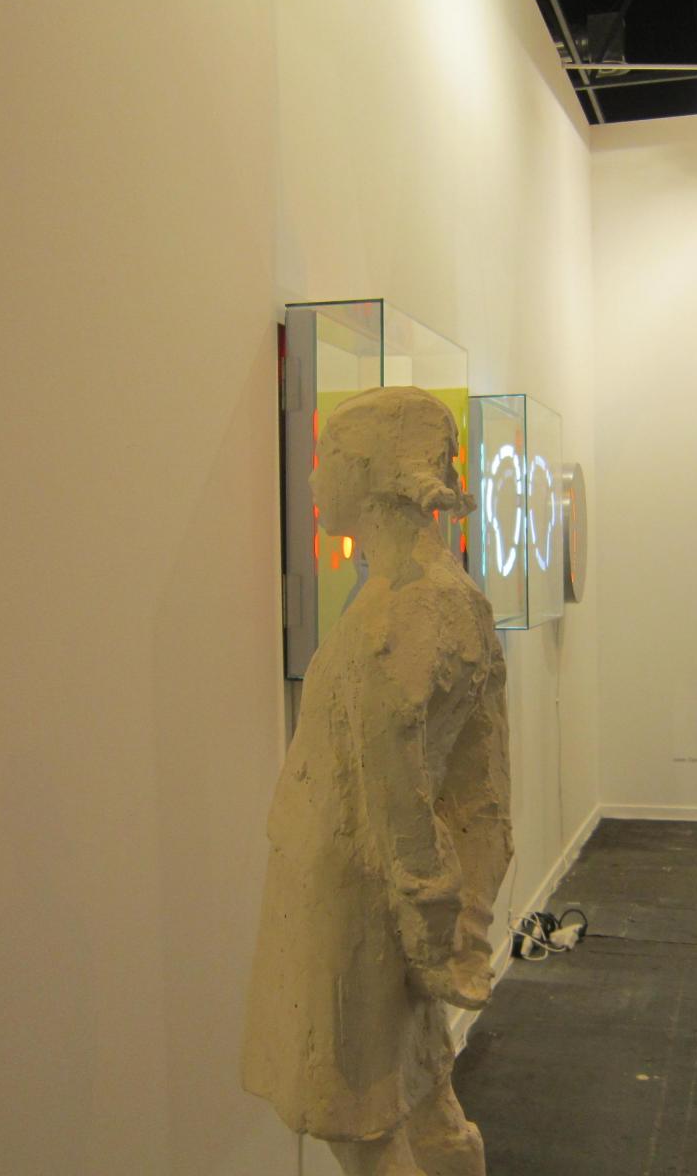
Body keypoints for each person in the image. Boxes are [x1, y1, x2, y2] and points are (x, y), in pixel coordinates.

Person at [242, 387, 511, 1176]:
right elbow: (482, 788)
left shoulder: (405, 613)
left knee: (359, 1119)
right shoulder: (440, 598)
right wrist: (457, 918)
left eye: (330, 461)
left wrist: (433, 926)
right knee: (419, 1095)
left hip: (360, 899)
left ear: (373, 475)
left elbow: (406, 785)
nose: (315, 481)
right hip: (383, 896)